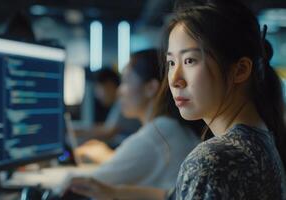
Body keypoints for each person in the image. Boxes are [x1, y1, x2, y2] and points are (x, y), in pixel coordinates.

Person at [68, 0, 286, 199]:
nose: (174, 79)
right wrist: (114, 192)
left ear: (240, 70)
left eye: (190, 60)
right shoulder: (261, 139)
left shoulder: (212, 160)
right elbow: (173, 195)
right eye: (171, 63)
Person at [64, 49, 201, 196]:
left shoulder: (157, 133)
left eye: (126, 81)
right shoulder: (170, 127)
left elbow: (88, 184)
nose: (119, 91)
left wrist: (54, 179)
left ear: (150, 88)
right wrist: (110, 158)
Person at [74, 67, 141, 147]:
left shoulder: (123, 104)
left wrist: (77, 133)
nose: (97, 95)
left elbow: (108, 132)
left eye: (98, 88)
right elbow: (108, 127)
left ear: (109, 85)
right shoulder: (118, 104)